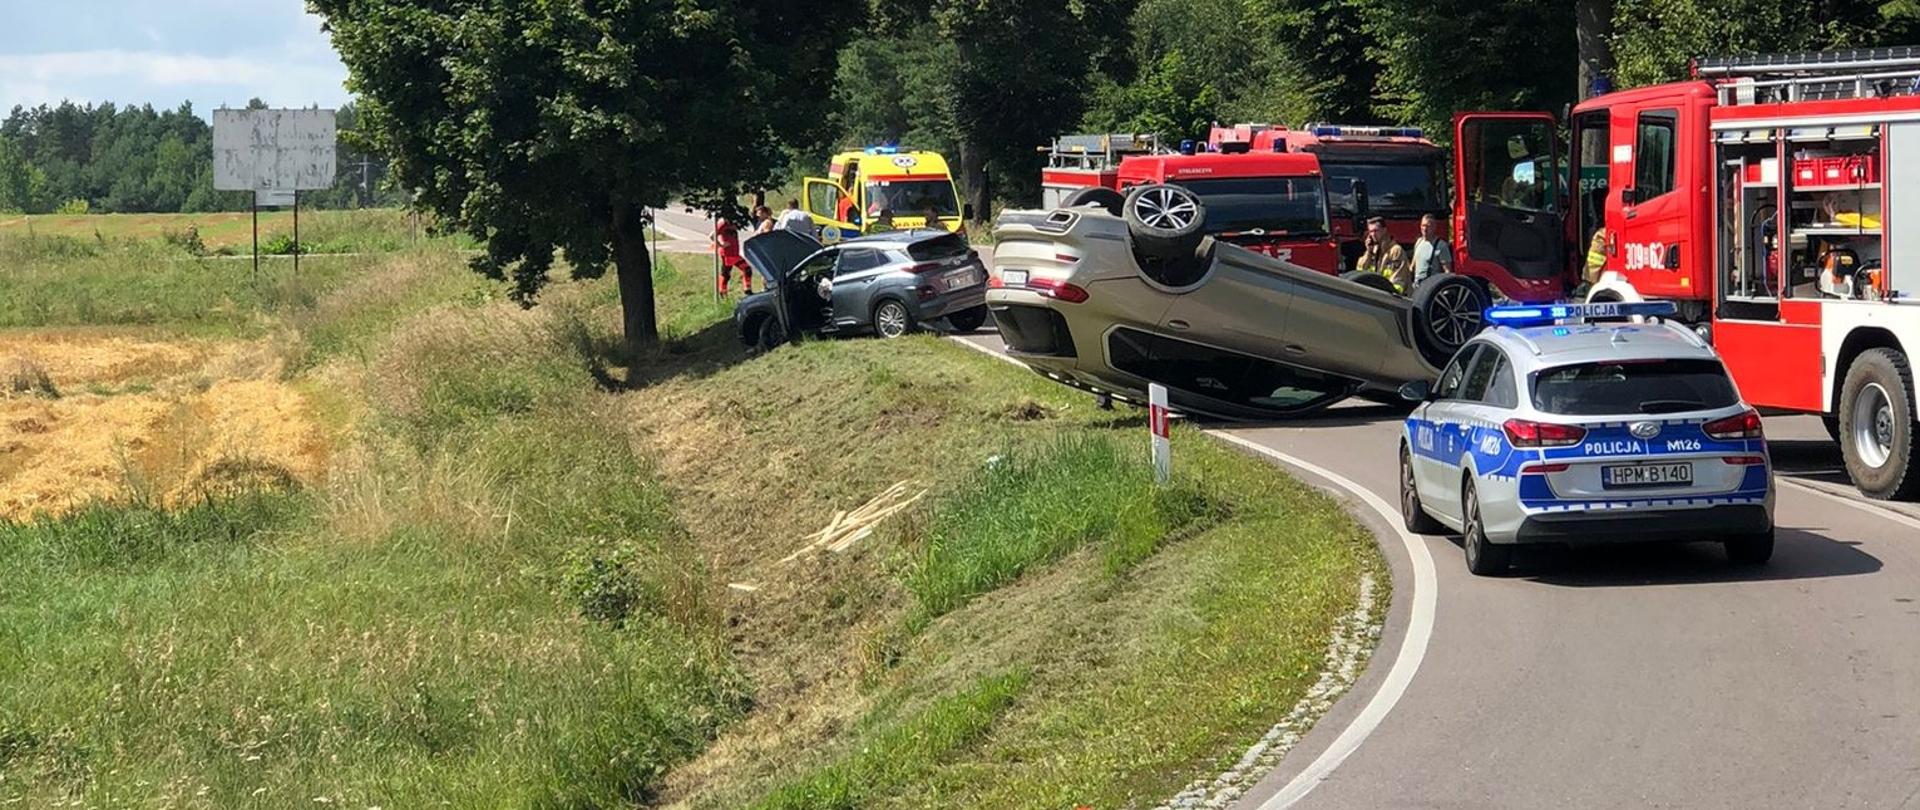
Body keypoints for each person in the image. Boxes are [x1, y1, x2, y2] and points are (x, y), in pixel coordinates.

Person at [1355, 216, 1409, 291]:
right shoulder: (1372, 250)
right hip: (1376, 293)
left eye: (1376, 231)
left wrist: (1392, 293)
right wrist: (1368, 253)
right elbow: (1359, 272)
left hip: (1393, 297)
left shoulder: (1396, 251)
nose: (1373, 234)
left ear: (1384, 230)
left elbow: (1399, 280)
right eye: (1371, 231)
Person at [1409, 213, 1453, 286]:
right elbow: (1413, 266)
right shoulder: (1419, 242)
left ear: (1434, 227)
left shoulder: (1441, 246)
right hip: (1417, 286)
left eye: (1428, 226)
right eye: (1423, 225)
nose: (1425, 229)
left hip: (1431, 287)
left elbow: (1447, 271)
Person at [711, 216, 752, 295]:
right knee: (726, 273)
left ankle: (747, 289)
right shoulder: (722, 223)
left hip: (735, 253)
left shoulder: (733, 222)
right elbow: (712, 235)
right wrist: (721, 244)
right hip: (727, 253)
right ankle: (722, 291)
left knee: (747, 269)